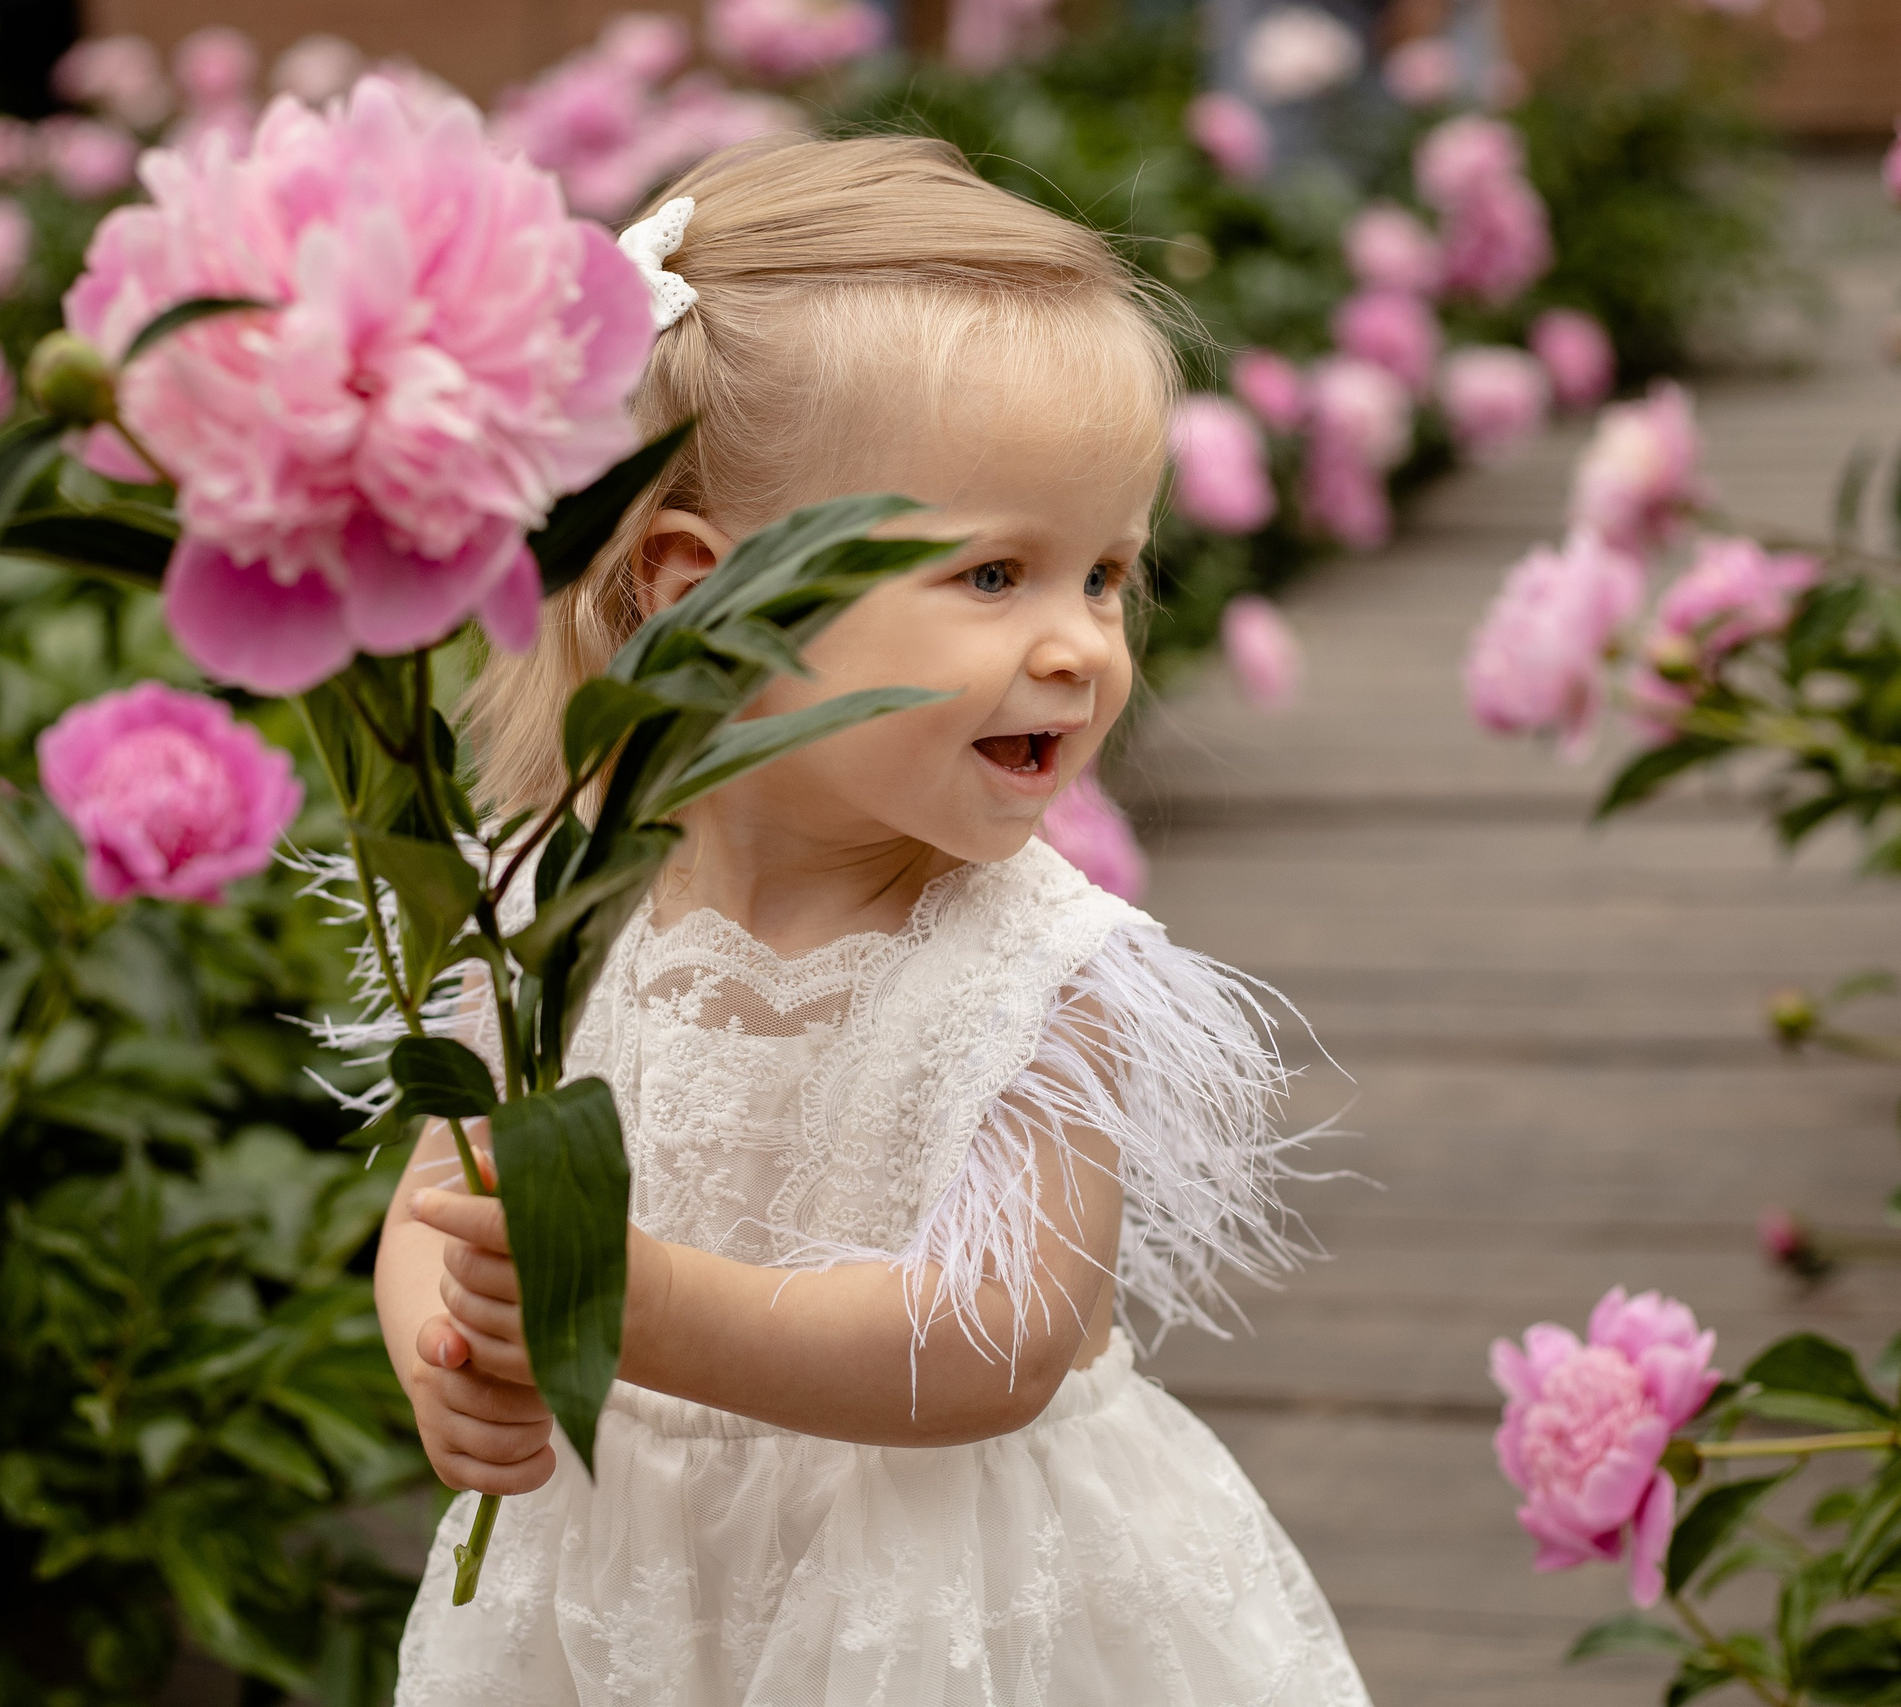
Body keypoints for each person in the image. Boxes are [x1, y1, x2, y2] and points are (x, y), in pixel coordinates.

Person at [374, 132, 1372, 1706]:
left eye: (1106, 573)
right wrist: (446, 1337)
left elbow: (995, 1346)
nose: (1081, 649)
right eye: (994, 576)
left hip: (938, 1614)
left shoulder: (1039, 977)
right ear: (697, 590)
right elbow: (452, 1185)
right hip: (622, 1584)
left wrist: (632, 1310)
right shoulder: (554, 915)